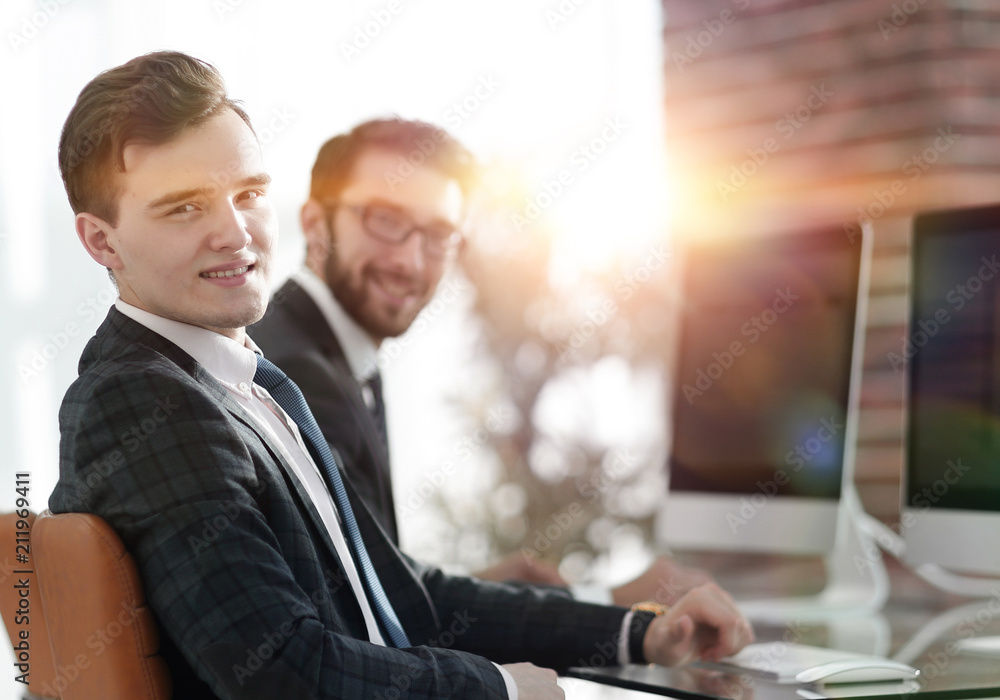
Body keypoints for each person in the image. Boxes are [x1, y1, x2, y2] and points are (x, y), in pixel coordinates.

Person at [50, 51, 753, 699]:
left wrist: (634, 632)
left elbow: (401, 597)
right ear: (100, 240)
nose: (235, 233)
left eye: (248, 193)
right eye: (184, 207)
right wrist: (501, 691)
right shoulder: (143, 399)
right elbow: (280, 675)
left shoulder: (243, 385)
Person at [250, 118, 715, 605]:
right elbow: (385, 613)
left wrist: (497, 589)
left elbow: (375, 589)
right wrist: (608, 603)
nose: (411, 261)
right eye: (384, 220)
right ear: (314, 224)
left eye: (438, 235)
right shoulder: (297, 375)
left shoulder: (332, 354)